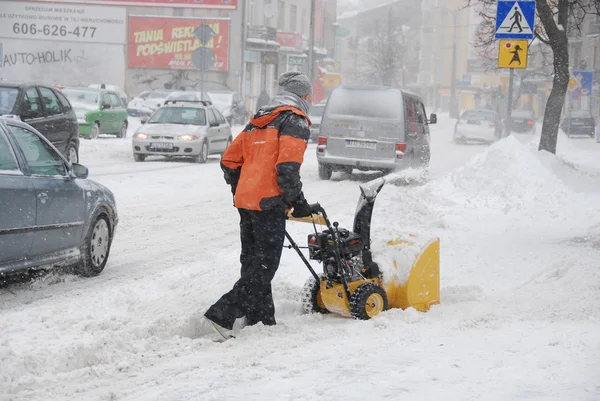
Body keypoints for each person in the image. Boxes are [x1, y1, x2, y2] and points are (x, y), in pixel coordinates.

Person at [204, 72, 315, 340]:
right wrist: (297, 203)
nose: (310, 100)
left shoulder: (257, 122)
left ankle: (261, 319)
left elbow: (229, 161)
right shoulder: (294, 122)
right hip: (269, 204)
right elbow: (287, 169)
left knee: (254, 264)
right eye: (309, 95)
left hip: (247, 202)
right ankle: (222, 313)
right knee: (265, 267)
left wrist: (241, 189)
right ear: (302, 95)